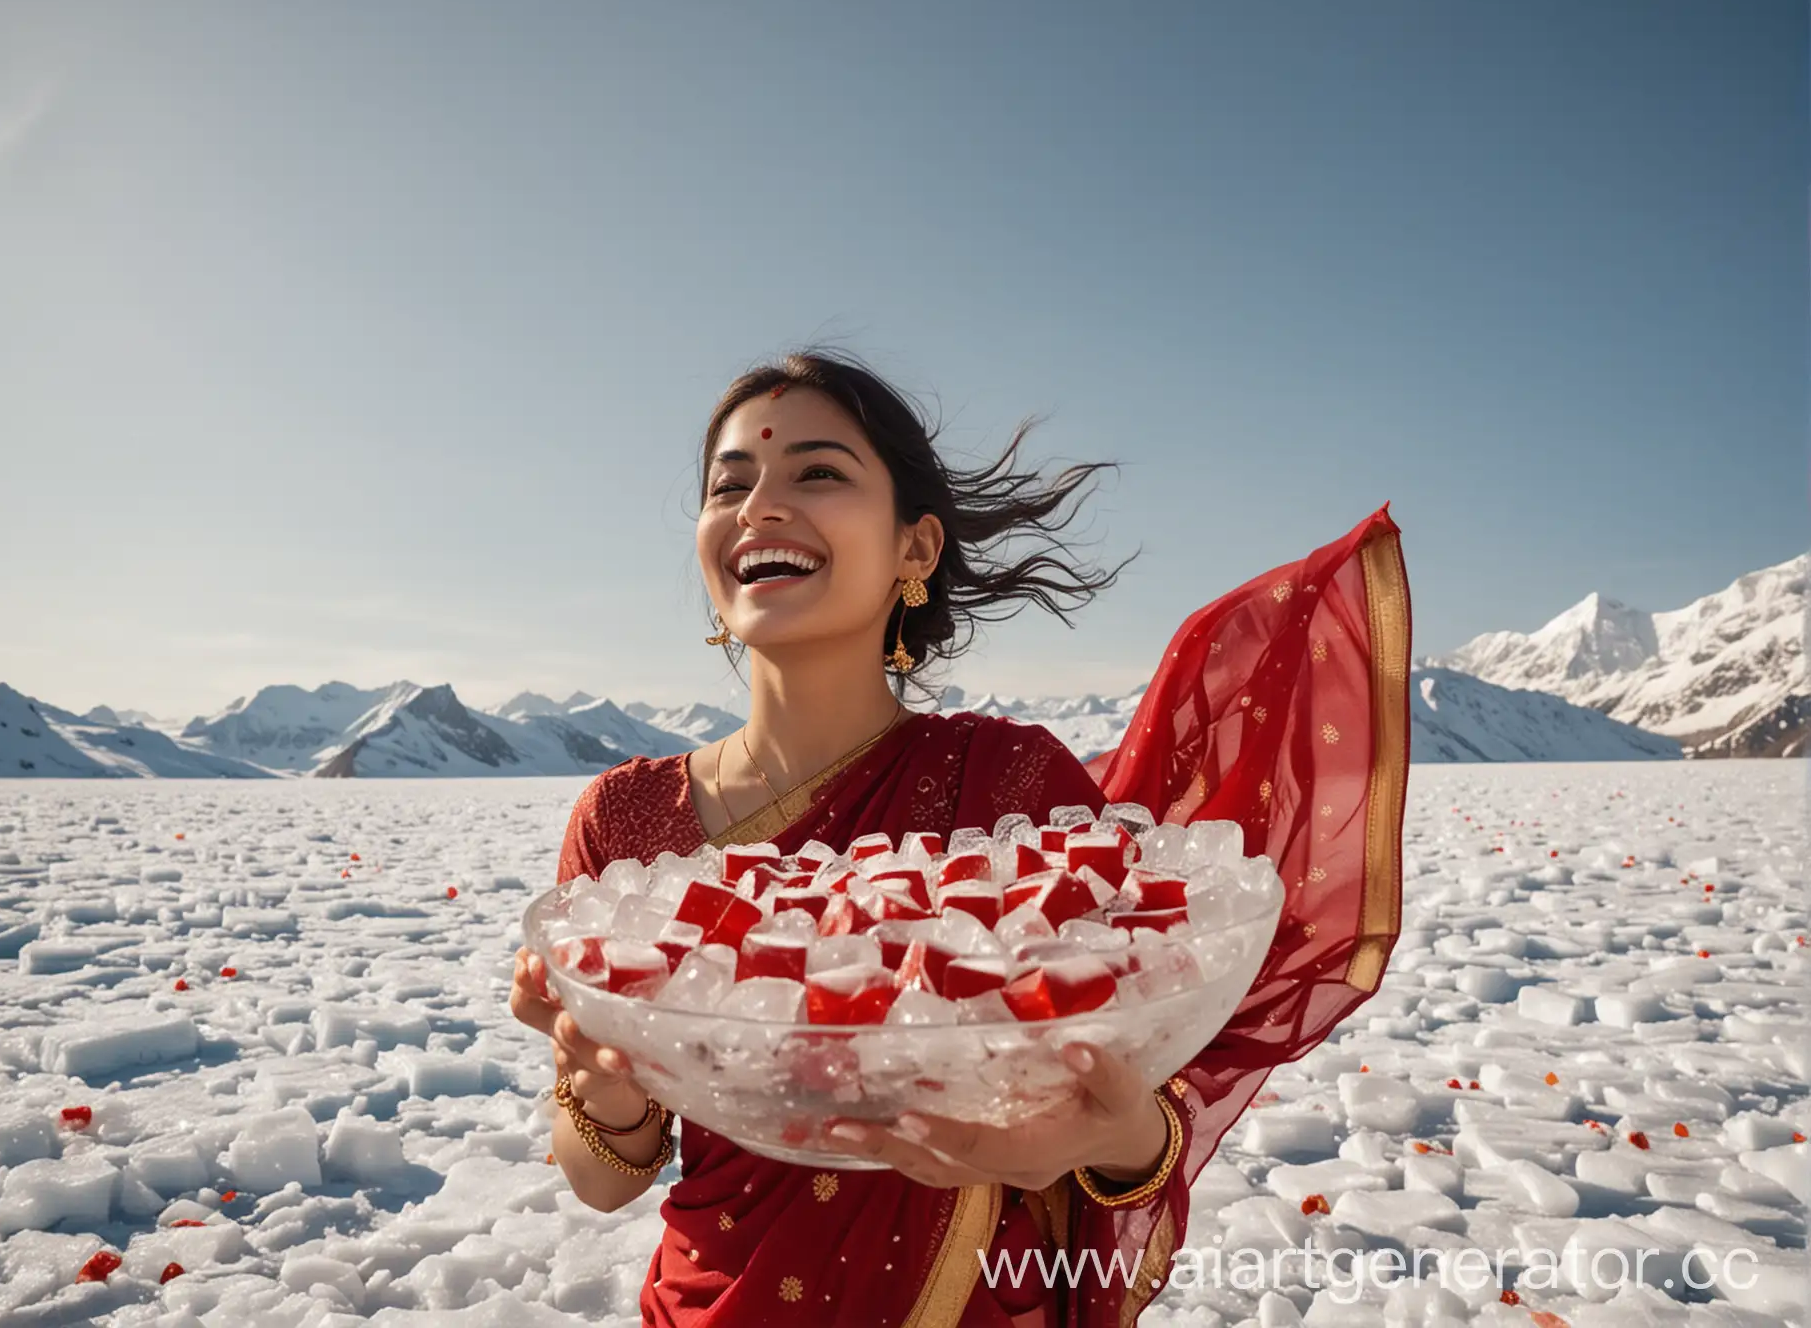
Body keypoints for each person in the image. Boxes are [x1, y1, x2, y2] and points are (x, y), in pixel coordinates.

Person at [510, 350, 1411, 1327]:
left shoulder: (1013, 784)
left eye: (816, 471)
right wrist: (605, 1095)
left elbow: (1140, 1098)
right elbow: (600, 1183)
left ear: (916, 548)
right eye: (730, 484)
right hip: (711, 1299)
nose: (759, 506)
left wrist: (1107, 1139)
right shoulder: (627, 823)